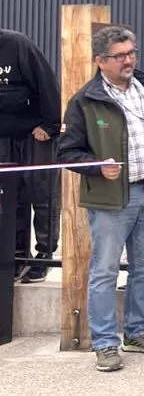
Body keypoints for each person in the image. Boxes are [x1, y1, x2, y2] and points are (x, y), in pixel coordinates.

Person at [58, 26, 144, 373]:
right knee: (105, 271)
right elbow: (66, 152)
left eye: (132, 53)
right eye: (120, 55)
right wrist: (97, 167)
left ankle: (137, 332)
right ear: (100, 61)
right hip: (111, 200)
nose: (129, 60)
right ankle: (105, 343)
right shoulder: (85, 100)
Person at [0, 28, 61, 284]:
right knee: (12, 197)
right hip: (4, 134)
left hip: (34, 131)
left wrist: (50, 125)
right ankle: (16, 257)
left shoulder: (17, 44)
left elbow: (46, 83)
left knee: (41, 191)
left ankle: (43, 256)